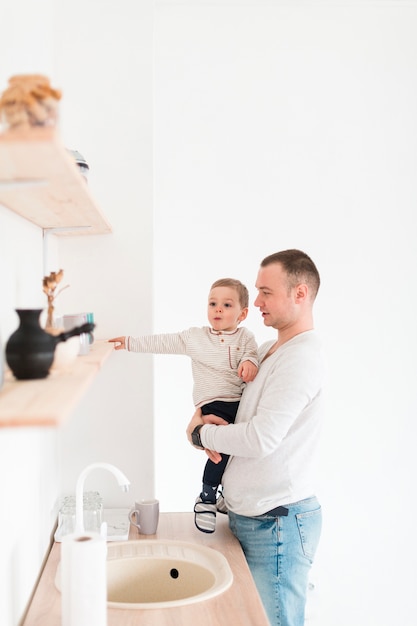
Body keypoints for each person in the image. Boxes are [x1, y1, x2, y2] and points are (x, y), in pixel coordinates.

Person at [186, 250, 325, 626]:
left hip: (276, 523)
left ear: (299, 293)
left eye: (265, 292)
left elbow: (261, 437)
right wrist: (199, 420)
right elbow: (232, 404)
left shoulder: (301, 358)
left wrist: (202, 434)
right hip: (256, 518)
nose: (257, 301)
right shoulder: (267, 351)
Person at [109, 277, 258, 533]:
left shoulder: (245, 337)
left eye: (226, 304)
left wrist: (250, 364)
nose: (218, 309)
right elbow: (164, 342)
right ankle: (207, 497)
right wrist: (131, 342)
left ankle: (226, 494)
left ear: (242, 314)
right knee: (219, 452)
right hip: (213, 405)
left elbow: (252, 355)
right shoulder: (195, 338)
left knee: (241, 452)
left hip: (240, 404)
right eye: (213, 303)